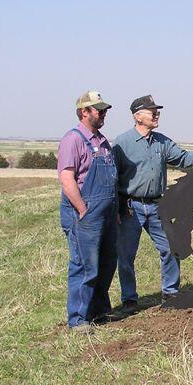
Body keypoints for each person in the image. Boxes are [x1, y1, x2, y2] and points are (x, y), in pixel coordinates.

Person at [113, 95, 193, 313]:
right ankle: (129, 300)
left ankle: (171, 293)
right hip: (130, 207)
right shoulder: (121, 144)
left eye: (157, 110)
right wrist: (117, 206)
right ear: (137, 116)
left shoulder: (162, 142)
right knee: (126, 255)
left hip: (157, 207)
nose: (156, 114)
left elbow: (183, 158)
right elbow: (113, 177)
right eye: (151, 110)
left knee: (171, 248)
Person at [57, 91, 118, 334]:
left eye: (104, 109)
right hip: (85, 215)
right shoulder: (73, 139)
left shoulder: (101, 141)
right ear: (84, 112)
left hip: (106, 214)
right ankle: (78, 319)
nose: (103, 113)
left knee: (106, 263)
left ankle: (99, 311)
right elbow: (66, 177)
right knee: (85, 265)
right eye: (98, 109)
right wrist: (82, 209)